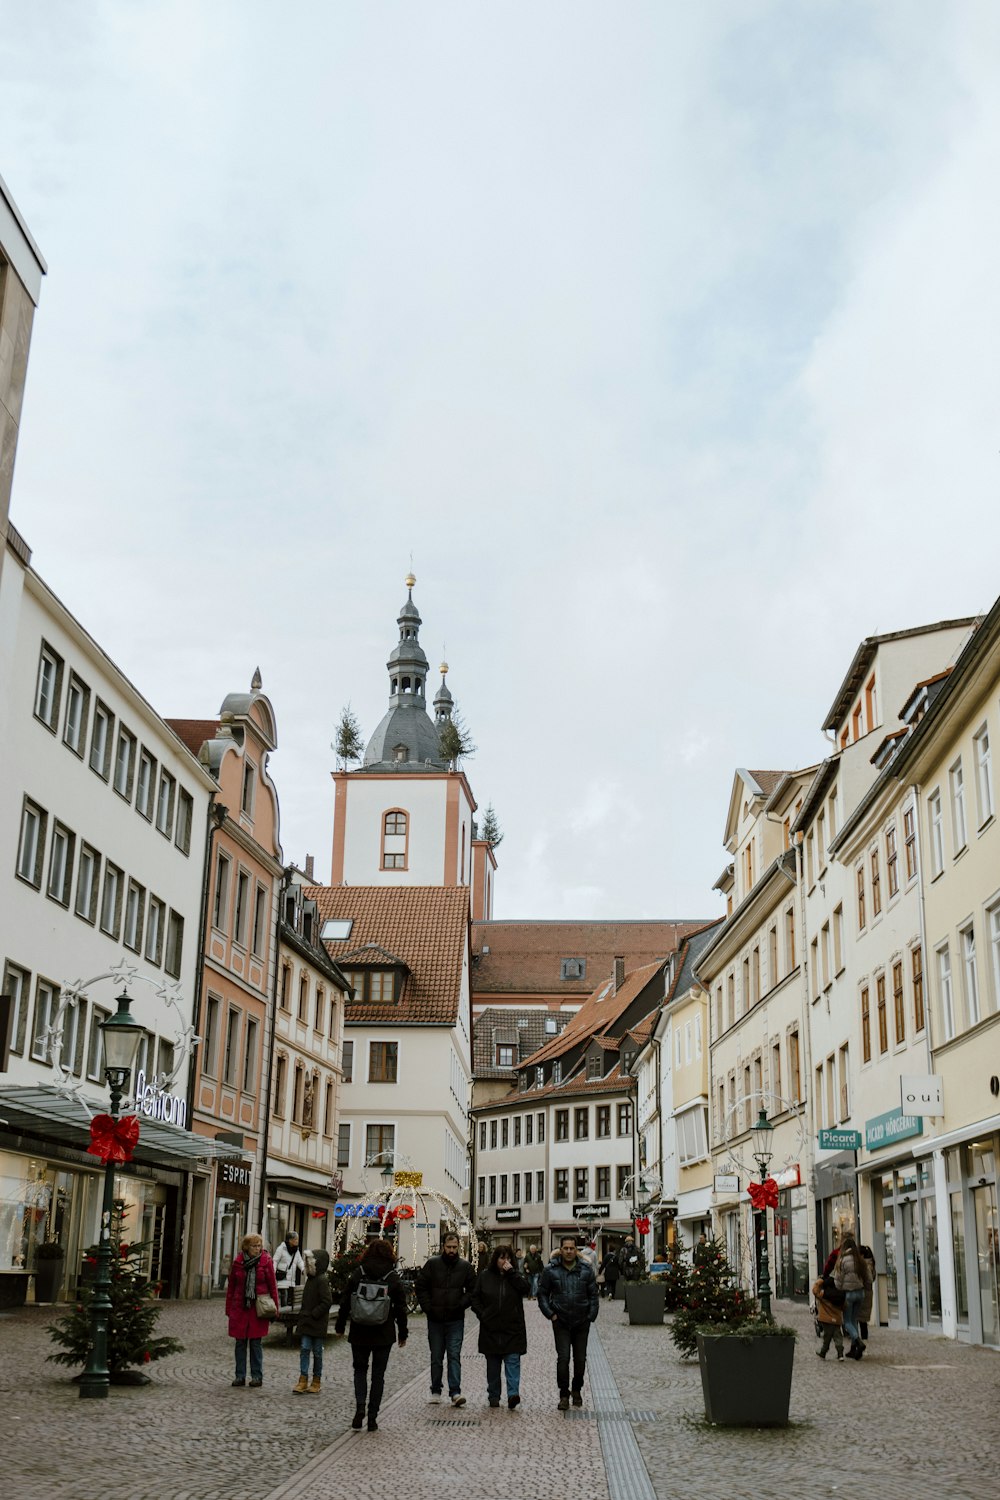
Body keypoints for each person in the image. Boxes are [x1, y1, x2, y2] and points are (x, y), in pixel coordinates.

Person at [334, 1237, 408, 1431]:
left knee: (359, 1370)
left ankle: (360, 1407)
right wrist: (403, 1332)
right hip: (383, 1332)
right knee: (378, 1375)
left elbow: (345, 1300)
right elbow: (401, 1306)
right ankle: (373, 1416)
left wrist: (340, 1325)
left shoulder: (359, 1272)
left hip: (359, 1330)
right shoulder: (392, 1276)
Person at [538, 1235, 599, 1411]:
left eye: (572, 1248)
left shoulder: (586, 1270)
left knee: (580, 1360)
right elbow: (542, 1293)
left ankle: (577, 1390)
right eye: (566, 1248)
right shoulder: (551, 1270)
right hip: (561, 1321)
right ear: (561, 1249)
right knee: (563, 1359)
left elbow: (593, 1295)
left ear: (576, 1250)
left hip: (581, 1322)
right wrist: (551, 1314)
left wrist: (591, 1316)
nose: (569, 1251)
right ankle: (564, 1394)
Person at [416, 1232, 476, 1407]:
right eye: (449, 1247)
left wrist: (461, 1304)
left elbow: (473, 1290)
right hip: (435, 1319)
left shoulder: (465, 1267)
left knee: (454, 1355)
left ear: (458, 1247)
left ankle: (455, 1392)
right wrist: (428, 1307)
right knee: (436, 1356)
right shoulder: (432, 1264)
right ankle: (435, 1390)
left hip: (455, 1319)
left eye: (454, 1247)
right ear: (443, 1246)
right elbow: (421, 1287)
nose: (451, 1250)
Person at [471, 1243, 530, 1409]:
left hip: (512, 1328)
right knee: (493, 1366)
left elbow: (526, 1289)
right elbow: (475, 1298)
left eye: (508, 1258)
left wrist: (511, 1273)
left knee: (513, 1363)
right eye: (502, 1257)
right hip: (491, 1328)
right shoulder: (485, 1276)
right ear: (495, 1259)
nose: (505, 1261)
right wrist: (483, 1314)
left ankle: (513, 1395)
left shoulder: (516, 1276)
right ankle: (494, 1396)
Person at [225, 1231, 279, 1388]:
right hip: (240, 1307)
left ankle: (257, 1376)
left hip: (258, 1308)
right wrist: (229, 1308)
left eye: (259, 1246)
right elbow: (232, 1287)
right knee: (240, 1343)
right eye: (254, 1246)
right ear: (246, 1247)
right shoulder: (238, 1262)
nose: (258, 1248)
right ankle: (239, 1376)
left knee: (256, 1343)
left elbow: (272, 1286)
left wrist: (276, 1307)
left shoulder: (266, 1261)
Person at [294, 1247, 333, 1394]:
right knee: (304, 1349)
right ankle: (302, 1379)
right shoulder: (311, 1279)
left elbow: (327, 1301)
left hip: (317, 1322)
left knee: (317, 1352)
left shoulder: (322, 1280)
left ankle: (316, 1380)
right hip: (307, 1321)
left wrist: (315, 1314)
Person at [834, 1233, 872, 1360]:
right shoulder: (860, 1260)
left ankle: (858, 1341)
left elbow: (838, 1280)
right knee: (854, 1319)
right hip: (860, 1293)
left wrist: (839, 1290)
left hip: (849, 1294)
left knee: (847, 1322)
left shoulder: (842, 1260)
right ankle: (854, 1349)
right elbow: (869, 1279)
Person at [811, 1271, 845, 1360]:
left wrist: (820, 1280)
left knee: (827, 1336)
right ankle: (840, 1353)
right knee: (838, 1336)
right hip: (837, 1319)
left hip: (826, 1319)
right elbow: (845, 1306)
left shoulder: (823, 1294)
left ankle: (823, 1352)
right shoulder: (840, 1295)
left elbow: (814, 1290)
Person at [273, 1230, 305, 1308]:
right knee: (284, 1295)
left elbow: (299, 1261)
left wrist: (303, 1269)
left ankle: (285, 1311)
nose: (297, 1241)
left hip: (291, 1280)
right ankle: (283, 1313)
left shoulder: (296, 1251)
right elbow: (275, 1260)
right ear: (290, 1240)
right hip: (282, 1277)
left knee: (289, 1299)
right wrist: (273, 1271)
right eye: (295, 1239)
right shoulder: (281, 1249)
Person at [858, 1243, 877, 1345]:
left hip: (864, 1293)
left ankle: (861, 1343)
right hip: (868, 1293)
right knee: (862, 1321)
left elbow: (869, 1279)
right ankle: (862, 1342)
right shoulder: (871, 1263)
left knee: (861, 1320)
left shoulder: (865, 1265)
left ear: (862, 1255)